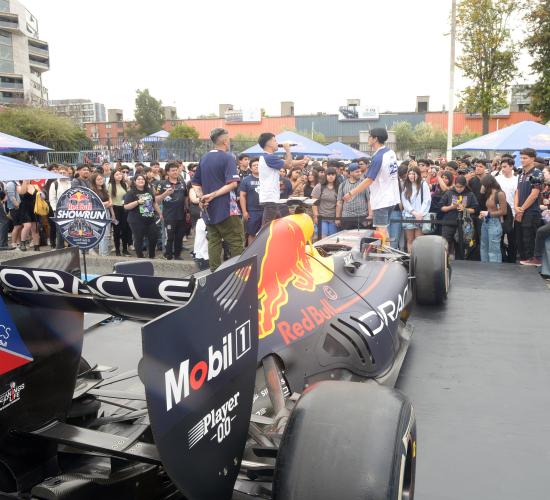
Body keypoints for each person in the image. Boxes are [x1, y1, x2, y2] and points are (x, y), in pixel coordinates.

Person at [192, 128, 244, 271]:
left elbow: (195, 183)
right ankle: (238, 273)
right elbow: (233, 183)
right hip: (227, 208)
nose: (230, 140)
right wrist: (213, 195)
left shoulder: (204, 158)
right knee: (236, 242)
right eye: (229, 138)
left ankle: (214, 271)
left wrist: (202, 197)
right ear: (225, 140)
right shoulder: (228, 157)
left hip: (208, 209)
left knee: (213, 241)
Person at [343, 128, 400, 242]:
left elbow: (369, 180)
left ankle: (382, 258)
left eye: (370, 136)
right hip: (392, 198)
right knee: (384, 229)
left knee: (380, 232)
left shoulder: (378, 157)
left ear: (375, 139)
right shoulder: (391, 152)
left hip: (382, 199)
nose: (368, 139)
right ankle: (387, 255)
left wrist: (351, 193)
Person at [257, 133, 308, 226]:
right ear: (269, 143)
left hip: (272, 199)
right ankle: (262, 240)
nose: (277, 143)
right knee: (266, 228)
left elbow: (288, 162)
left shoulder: (268, 157)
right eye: (275, 140)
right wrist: (287, 149)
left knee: (277, 226)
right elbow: (288, 165)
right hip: (270, 198)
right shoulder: (269, 157)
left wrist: (302, 161)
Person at [156, 162, 188, 260]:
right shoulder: (161, 184)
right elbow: (156, 200)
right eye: (173, 170)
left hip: (181, 215)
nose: (175, 172)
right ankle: (168, 255)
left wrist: (188, 211)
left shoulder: (182, 183)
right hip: (169, 215)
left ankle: (177, 255)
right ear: (167, 172)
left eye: (177, 170)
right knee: (169, 237)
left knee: (179, 237)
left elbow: (186, 197)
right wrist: (165, 194)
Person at [123, 174, 161, 259]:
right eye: (139, 179)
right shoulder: (131, 192)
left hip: (150, 219)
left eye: (142, 179)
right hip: (136, 220)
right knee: (139, 239)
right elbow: (126, 206)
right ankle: (140, 257)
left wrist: (160, 213)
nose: (141, 181)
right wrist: (137, 202)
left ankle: (152, 256)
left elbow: (154, 203)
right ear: (135, 181)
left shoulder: (149, 190)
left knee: (153, 237)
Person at [440, 175, 479, 257]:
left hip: (464, 224)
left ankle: (460, 261)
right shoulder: (449, 193)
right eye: (457, 187)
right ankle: (444, 261)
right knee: (445, 243)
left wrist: (465, 209)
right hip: (448, 222)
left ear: (465, 186)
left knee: (461, 245)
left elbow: (475, 209)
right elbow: (441, 208)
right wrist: (452, 207)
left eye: (461, 187)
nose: (458, 189)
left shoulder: (470, 194)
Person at [515, 148, 542, 261]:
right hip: (519, 211)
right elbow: (518, 191)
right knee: (519, 239)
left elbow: (534, 194)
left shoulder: (537, 173)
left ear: (532, 159)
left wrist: (522, 209)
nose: (522, 160)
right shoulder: (521, 173)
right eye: (521, 157)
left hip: (531, 212)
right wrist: (516, 207)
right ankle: (523, 260)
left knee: (529, 239)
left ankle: (532, 261)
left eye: (525, 158)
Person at [520, 165, 550, 266]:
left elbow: (534, 195)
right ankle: (536, 259)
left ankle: (537, 258)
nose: (542, 175)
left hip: (535, 213)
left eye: (545, 173)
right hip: (543, 216)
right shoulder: (545, 186)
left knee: (540, 231)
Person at [401, 165, 431, 252]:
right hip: (409, 215)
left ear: (418, 174)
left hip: (420, 216)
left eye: (413, 174)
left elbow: (427, 200)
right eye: (409, 174)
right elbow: (405, 202)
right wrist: (414, 212)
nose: (411, 176)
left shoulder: (423, 184)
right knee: (410, 240)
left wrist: (420, 213)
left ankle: (418, 259)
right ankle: (410, 259)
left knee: (419, 240)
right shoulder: (406, 185)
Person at [479, 175, 507, 263]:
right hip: (486, 221)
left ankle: (495, 270)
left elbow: (503, 211)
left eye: (483, 184)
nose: (482, 186)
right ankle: (485, 267)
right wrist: (484, 214)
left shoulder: (500, 194)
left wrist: (488, 214)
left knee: (493, 250)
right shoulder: (489, 193)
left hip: (495, 223)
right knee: (484, 247)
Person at [495, 158, 518, 262]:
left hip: (512, 213)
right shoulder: (497, 179)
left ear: (511, 166)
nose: (503, 169)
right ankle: (502, 258)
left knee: (512, 238)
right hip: (498, 212)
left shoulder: (517, 180)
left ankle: (512, 260)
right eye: (501, 167)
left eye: (505, 167)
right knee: (499, 237)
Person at [336, 163, 370, 230]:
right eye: (357, 172)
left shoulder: (364, 183)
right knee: (347, 239)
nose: (359, 173)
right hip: (347, 218)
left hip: (362, 217)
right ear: (351, 173)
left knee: (361, 239)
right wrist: (337, 218)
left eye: (360, 171)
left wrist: (370, 215)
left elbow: (369, 200)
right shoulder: (343, 185)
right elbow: (339, 202)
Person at [48, 165, 73, 249]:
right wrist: (55, 210)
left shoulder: (71, 183)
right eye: (60, 172)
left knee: (71, 231)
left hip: (71, 211)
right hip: (59, 211)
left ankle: (72, 249)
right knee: (60, 232)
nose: (62, 174)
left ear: (67, 173)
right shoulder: (54, 184)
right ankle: (59, 250)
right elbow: (52, 199)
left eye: (64, 172)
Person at [90, 172, 114, 256]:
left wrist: (107, 203)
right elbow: (92, 204)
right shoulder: (92, 191)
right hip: (97, 214)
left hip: (106, 213)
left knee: (106, 234)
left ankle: (104, 252)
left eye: (101, 178)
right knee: (101, 233)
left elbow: (110, 201)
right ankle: (103, 253)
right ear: (94, 181)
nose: (101, 180)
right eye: (98, 179)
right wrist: (105, 203)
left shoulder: (105, 189)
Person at [311, 166, 340, 237]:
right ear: (325, 176)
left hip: (333, 218)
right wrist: (315, 216)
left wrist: (337, 218)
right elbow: (314, 202)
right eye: (329, 174)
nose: (331, 176)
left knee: (332, 238)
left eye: (333, 175)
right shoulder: (319, 186)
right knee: (323, 237)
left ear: (335, 176)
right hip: (321, 217)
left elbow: (339, 204)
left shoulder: (339, 187)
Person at [239, 157, 262, 245]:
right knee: (252, 234)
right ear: (251, 168)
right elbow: (242, 196)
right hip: (252, 211)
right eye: (254, 165)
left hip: (266, 210)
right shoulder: (246, 180)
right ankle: (251, 255)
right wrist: (244, 212)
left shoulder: (267, 179)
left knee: (266, 234)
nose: (256, 166)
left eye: (258, 165)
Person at [109, 169, 131, 256]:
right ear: (113, 176)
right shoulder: (110, 186)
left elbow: (128, 194)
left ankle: (125, 249)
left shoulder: (124, 184)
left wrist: (127, 181)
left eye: (120, 174)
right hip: (115, 209)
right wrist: (113, 214)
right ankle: (117, 249)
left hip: (124, 208)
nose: (119, 176)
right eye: (117, 174)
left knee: (125, 229)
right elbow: (110, 199)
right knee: (116, 231)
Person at [17, 180, 40, 251]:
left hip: (34, 208)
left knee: (35, 228)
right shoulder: (19, 187)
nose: (28, 179)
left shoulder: (35, 186)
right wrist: (24, 182)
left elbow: (41, 195)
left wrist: (41, 195)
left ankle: (36, 246)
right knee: (27, 225)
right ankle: (22, 243)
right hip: (24, 208)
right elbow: (22, 193)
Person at [5, 180, 22, 250]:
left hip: (16, 207)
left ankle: (18, 242)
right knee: (17, 226)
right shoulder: (10, 183)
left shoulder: (14, 183)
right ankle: (13, 243)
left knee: (19, 226)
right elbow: (11, 197)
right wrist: (17, 205)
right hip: (14, 208)